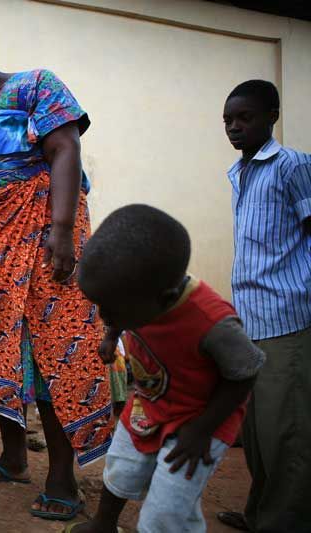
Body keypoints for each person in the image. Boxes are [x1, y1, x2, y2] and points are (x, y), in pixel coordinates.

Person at [0, 14, 112, 521]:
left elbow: (64, 147)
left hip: (45, 236)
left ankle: (62, 476)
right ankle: (13, 458)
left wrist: (61, 230)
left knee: (56, 349)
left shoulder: (36, 86)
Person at [69, 204, 265, 533]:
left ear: (165, 298)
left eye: (112, 311)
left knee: (168, 508)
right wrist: (112, 334)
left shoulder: (212, 322)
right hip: (149, 404)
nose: (105, 316)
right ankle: (103, 524)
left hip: (200, 421)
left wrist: (202, 429)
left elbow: (246, 371)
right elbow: (116, 310)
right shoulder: (137, 295)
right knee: (121, 468)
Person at [216, 80, 311, 532]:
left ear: (272, 116)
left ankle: (285, 522)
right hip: (250, 321)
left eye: (245, 117)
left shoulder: (293, 166)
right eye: (228, 120)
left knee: (285, 433)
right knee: (254, 432)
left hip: (288, 319)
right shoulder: (240, 172)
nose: (234, 127)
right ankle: (260, 514)